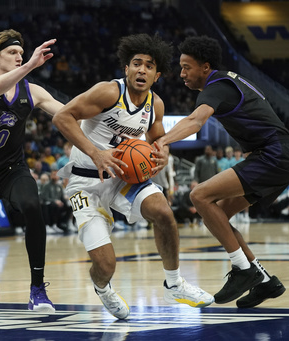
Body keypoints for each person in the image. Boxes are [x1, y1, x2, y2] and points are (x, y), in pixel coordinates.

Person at [53, 33, 214, 320]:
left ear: (157, 75)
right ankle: (103, 288)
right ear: (126, 69)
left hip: (123, 178)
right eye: (136, 64)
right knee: (105, 266)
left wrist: (161, 155)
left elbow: (157, 144)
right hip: (85, 181)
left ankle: (174, 283)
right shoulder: (107, 92)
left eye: (149, 66)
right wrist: (95, 153)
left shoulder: (156, 105)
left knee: (163, 212)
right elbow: (62, 117)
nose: (142, 70)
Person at [155, 35, 289, 308]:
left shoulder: (218, 84)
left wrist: (162, 140)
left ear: (205, 67)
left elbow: (196, 121)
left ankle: (243, 270)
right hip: (278, 153)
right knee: (218, 213)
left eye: (187, 67)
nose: (182, 73)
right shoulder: (230, 80)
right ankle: (264, 280)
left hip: (275, 154)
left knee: (199, 196)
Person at [0, 29, 63, 316]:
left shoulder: (32, 91)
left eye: (21, 53)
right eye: (13, 53)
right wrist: (31, 64)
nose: (19, 57)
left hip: (12, 169)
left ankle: (38, 288)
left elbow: (68, 113)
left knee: (32, 206)